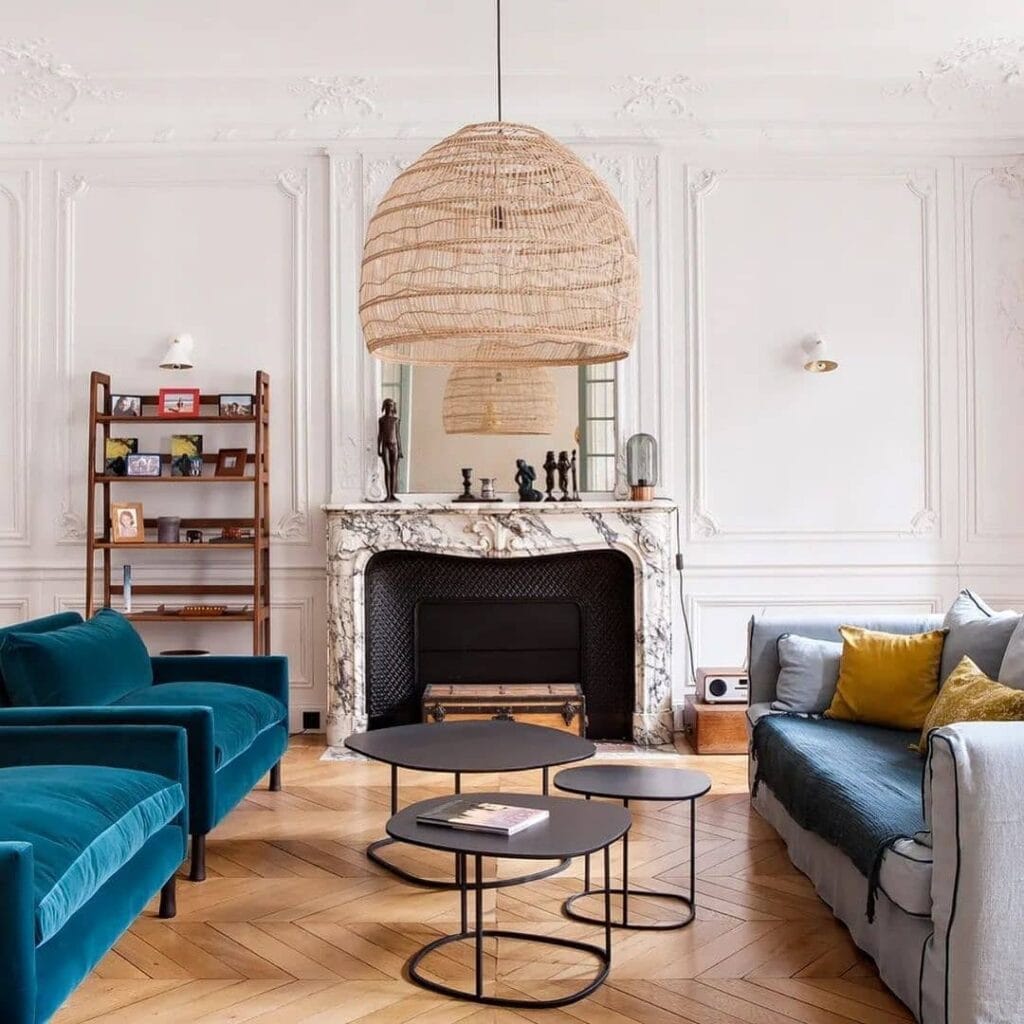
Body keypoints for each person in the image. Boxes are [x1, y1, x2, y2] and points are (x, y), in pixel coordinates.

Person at [377, 398, 402, 502]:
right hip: (385, 446)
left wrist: (400, 449)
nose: (389, 407)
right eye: (387, 405)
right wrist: (378, 447)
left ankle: (392, 494)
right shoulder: (381, 420)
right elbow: (380, 435)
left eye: (391, 405)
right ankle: (388, 495)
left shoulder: (396, 420)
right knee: (387, 469)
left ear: (393, 407)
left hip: (394, 446)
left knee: (394, 470)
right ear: (384, 406)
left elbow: (398, 435)